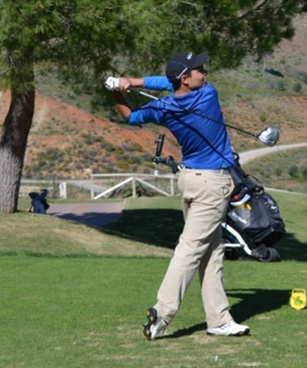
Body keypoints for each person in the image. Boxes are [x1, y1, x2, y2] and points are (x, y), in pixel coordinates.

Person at [104, 52, 250, 340]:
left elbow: (131, 117)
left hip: (191, 181)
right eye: (200, 70)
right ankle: (164, 311)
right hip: (212, 184)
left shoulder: (164, 107)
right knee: (192, 248)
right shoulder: (207, 94)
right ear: (186, 78)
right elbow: (166, 81)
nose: (205, 73)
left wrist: (118, 91)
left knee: (212, 251)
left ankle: (218, 319)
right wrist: (129, 82)